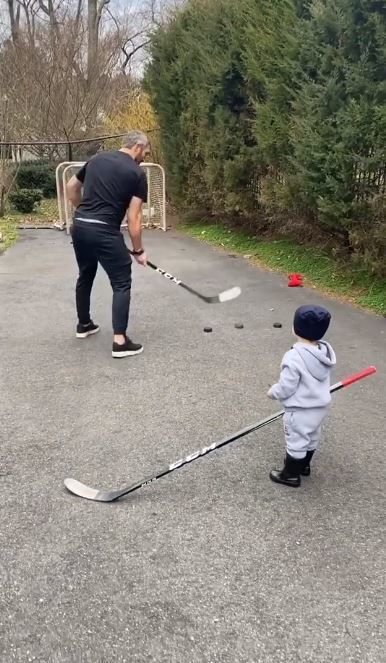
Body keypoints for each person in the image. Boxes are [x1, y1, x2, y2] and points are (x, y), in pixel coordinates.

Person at [66, 130, 150, 358]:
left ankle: (84, 325)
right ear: (138, 147)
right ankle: (120, 341)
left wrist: (83, 211)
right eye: (146, 151)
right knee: (122, 281)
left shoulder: (97, 159)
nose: (145, 156)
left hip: (80, 226)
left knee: (86, 273)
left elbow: (71, 186)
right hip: (103, 230)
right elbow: (134, 219)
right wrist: (139, 250)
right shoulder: (137, 174)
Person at [267, 304, 336, 487]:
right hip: (319, 408)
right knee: (311, 436)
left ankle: (290, 475)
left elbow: (287, 386)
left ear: (295, 328)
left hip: (300, 410)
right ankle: (304, 466)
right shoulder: (324, 353)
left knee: (296, 440)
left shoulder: (293, 356)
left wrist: (274, 392)